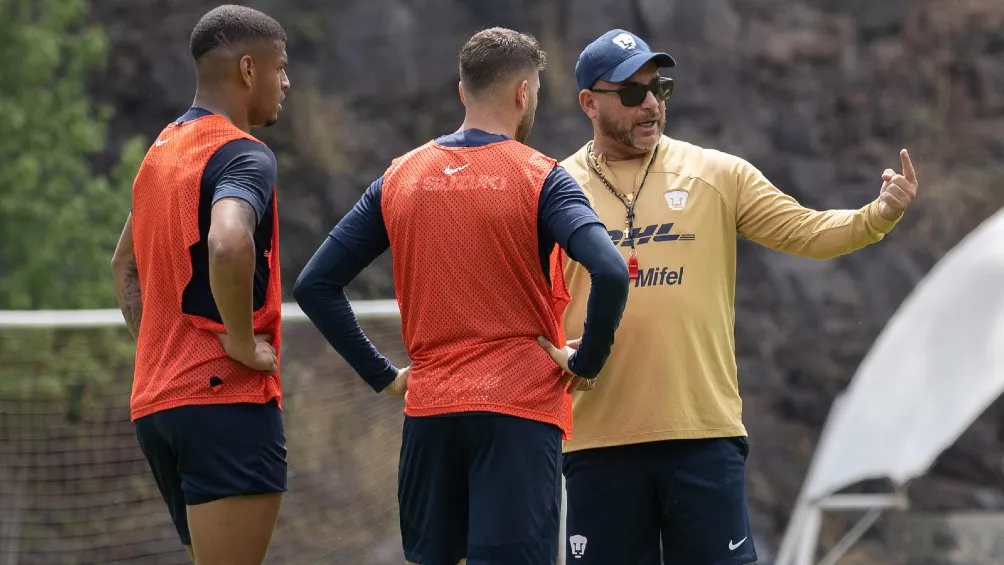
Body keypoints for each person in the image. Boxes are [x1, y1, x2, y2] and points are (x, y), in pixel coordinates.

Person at [554, 29, 919, 565]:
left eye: (659, 89)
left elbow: (809, 232)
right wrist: (554, 351)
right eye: (632, 94)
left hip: (701, 435)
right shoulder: (555, 188)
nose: (651, 103)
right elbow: (518, 302)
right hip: (597, 440)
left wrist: (879, 214)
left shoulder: (717, 174)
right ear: (589, 102)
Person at [293, 27, 630, 565]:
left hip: (432, 413)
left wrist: (383, 375)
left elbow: (314, 286)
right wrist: (585, 361)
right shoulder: (542, 177)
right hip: (518, 412)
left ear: (461, 92)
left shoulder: (399, 177)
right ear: (523, 93)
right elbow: (611, 271)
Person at [110, 5, 291, 564]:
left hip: (157, 406)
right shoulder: (243, 154)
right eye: (280, 67)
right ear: (247, 70)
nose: (286, 82)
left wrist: (160, 350)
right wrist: (238, 340)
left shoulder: (159, 153)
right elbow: (228, 241)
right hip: (223, 400)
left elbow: (124, 267)